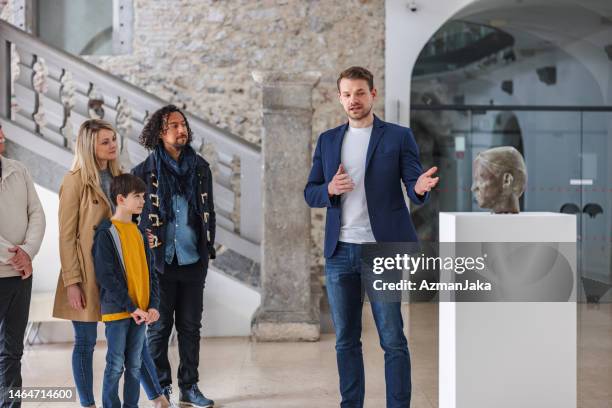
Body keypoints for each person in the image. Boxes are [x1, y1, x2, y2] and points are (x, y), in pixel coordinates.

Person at [304, 66, 439, 408]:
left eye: (360, 93)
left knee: (392, 338)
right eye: (347, 94)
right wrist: (330, 189)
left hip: (381, 251)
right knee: (345, 340)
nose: (353, 100)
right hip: (339, 252)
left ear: (372, 94)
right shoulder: (328, 140)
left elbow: (412, 180)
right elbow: (310, 191)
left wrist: (419, 187)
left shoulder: (397, 136)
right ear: (339, 98)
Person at [51, 119, 171, 408]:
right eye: (105, 142)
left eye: (113, 140)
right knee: (85, 342)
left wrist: (143, 237)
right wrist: (72, 282)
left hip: (123, 273)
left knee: (133, 341)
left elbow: (129, 220)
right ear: (88, 145)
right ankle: (89, 404)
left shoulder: (121, 176)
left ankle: (157, 397)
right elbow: (66, 236)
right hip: (86, 275)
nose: (112, 145)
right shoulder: (74, 180)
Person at [132, 105, 216, 408]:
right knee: (158, 329)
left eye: (184, 125)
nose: (182, 131)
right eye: (174, 126)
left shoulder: (200, 167)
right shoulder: (143, 173)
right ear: (159, 132)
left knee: (191, 328)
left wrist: (209, 247)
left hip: (193, 260)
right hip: (159, 265)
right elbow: (134, 221)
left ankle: (190, 387)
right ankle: (162, 388)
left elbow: (209, 213)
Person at [93, 174, 160, 408]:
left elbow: (151, 274)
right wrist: (131, 307)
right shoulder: (106, 233)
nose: (143, 201)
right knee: (115, 364)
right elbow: (107, 278)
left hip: (140, 312)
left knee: (134, 364)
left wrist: (153, 305)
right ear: (121, 199)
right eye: (137, 197)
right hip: (120, 311)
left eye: (143, 196)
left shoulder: (141, 233)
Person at [0, 122, 46, 408]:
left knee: (12, 351)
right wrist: (14, 256)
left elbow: (37, 213)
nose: (1, 136)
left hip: (21, 276)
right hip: (12, 267)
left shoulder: (19, 169)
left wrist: (27, 252)